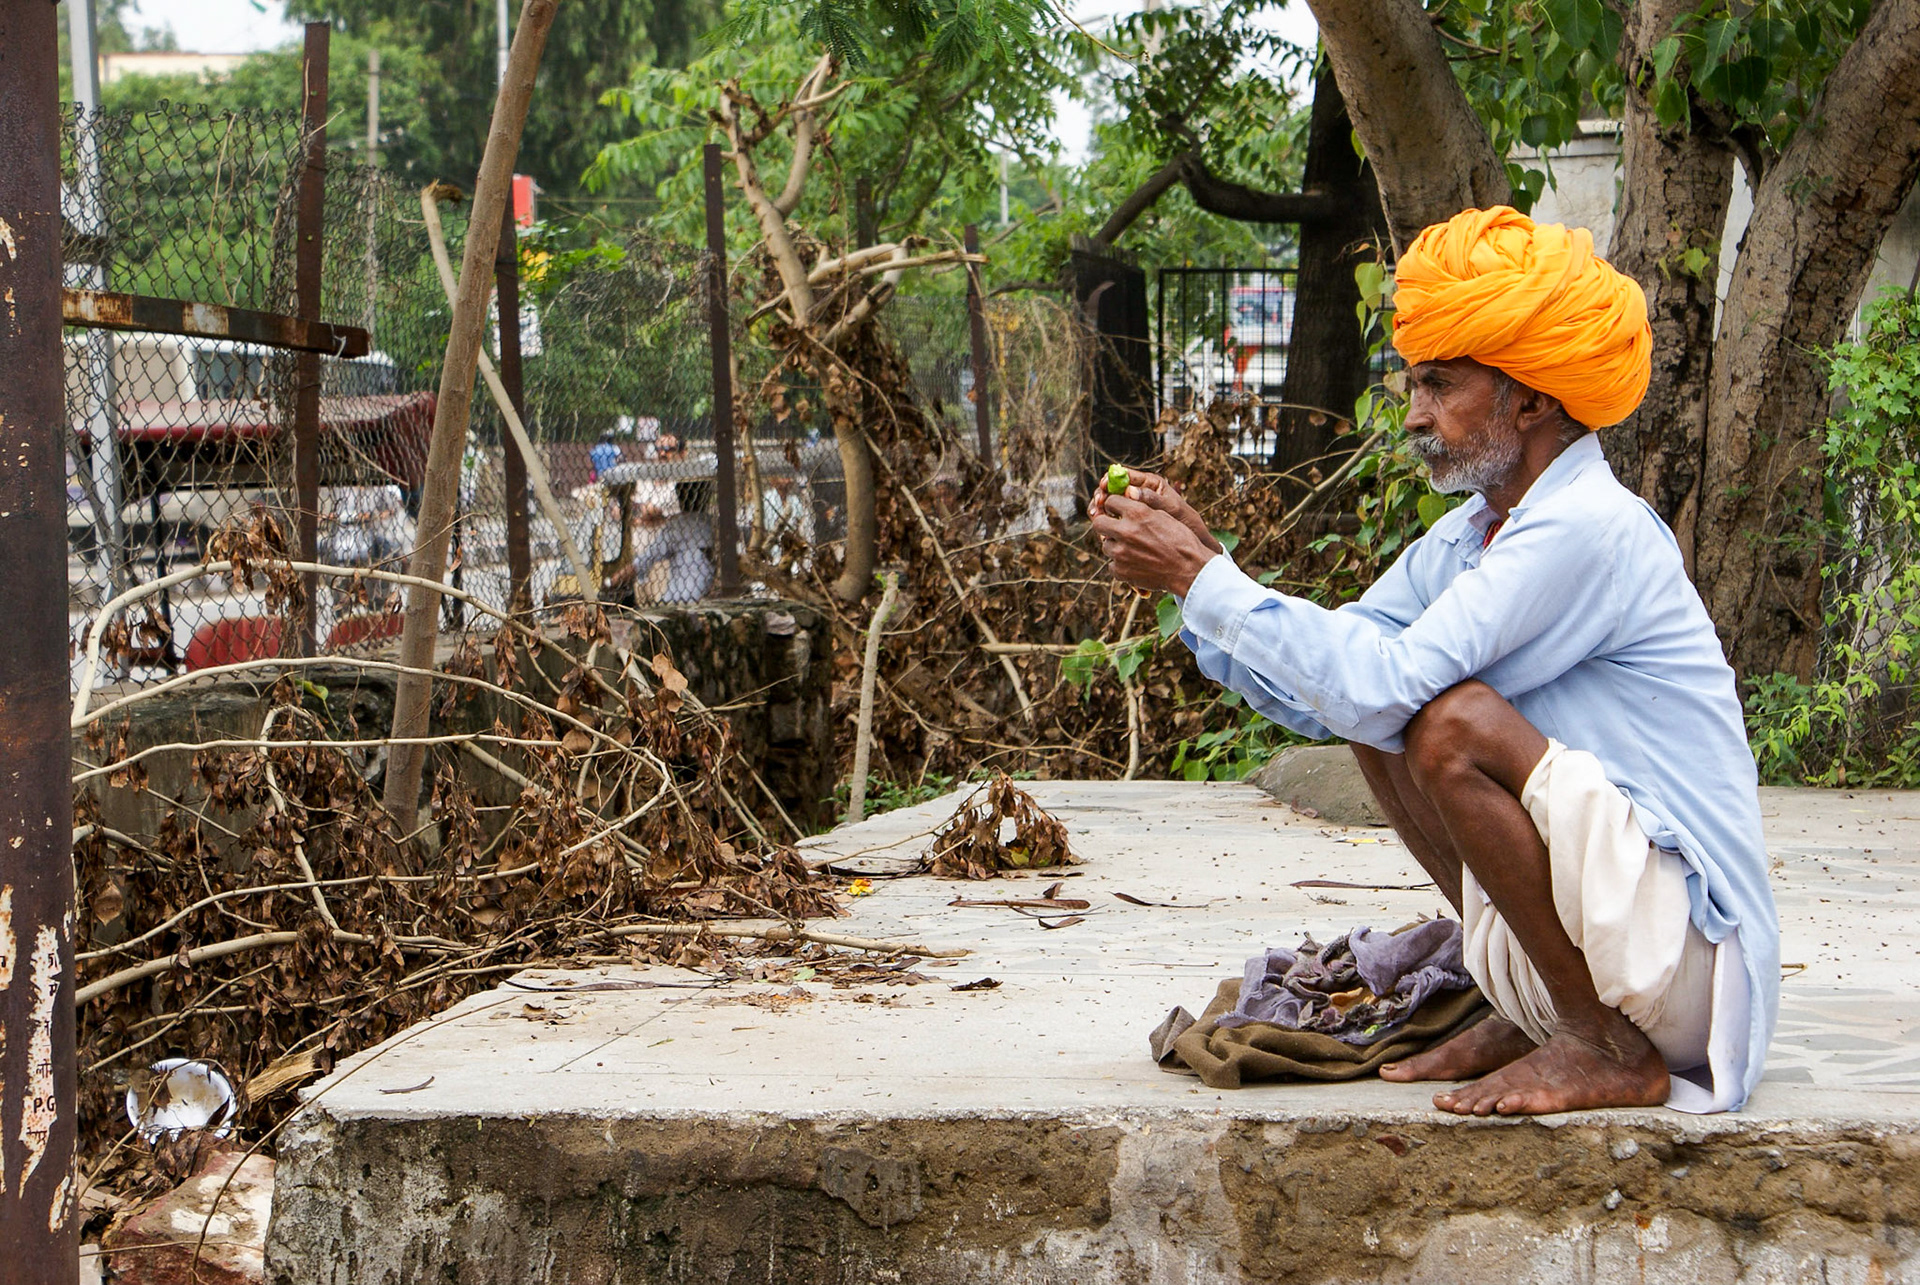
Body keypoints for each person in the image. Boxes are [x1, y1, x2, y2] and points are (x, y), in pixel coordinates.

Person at [1090, 206, 1779, 1117]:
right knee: (1377, 715)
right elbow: (1335, 688)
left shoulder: (1586, 530)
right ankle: (1535, 1004)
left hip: (1685, 958)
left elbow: (1385, 683)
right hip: (1615, 930)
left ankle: (1602, 1044)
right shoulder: (1471, 536)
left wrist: (1207, 578)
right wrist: (1200, 567)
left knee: (1447, 723)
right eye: (1414, 383)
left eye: (1439, 385)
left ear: (1529, 399)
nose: (1413, 413)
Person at [605, 479, 714, 604]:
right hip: (702, 597)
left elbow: (643, 561)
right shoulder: (713, 524)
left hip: (676, 599)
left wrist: (611, 582)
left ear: (679, 497)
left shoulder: (677, 526)